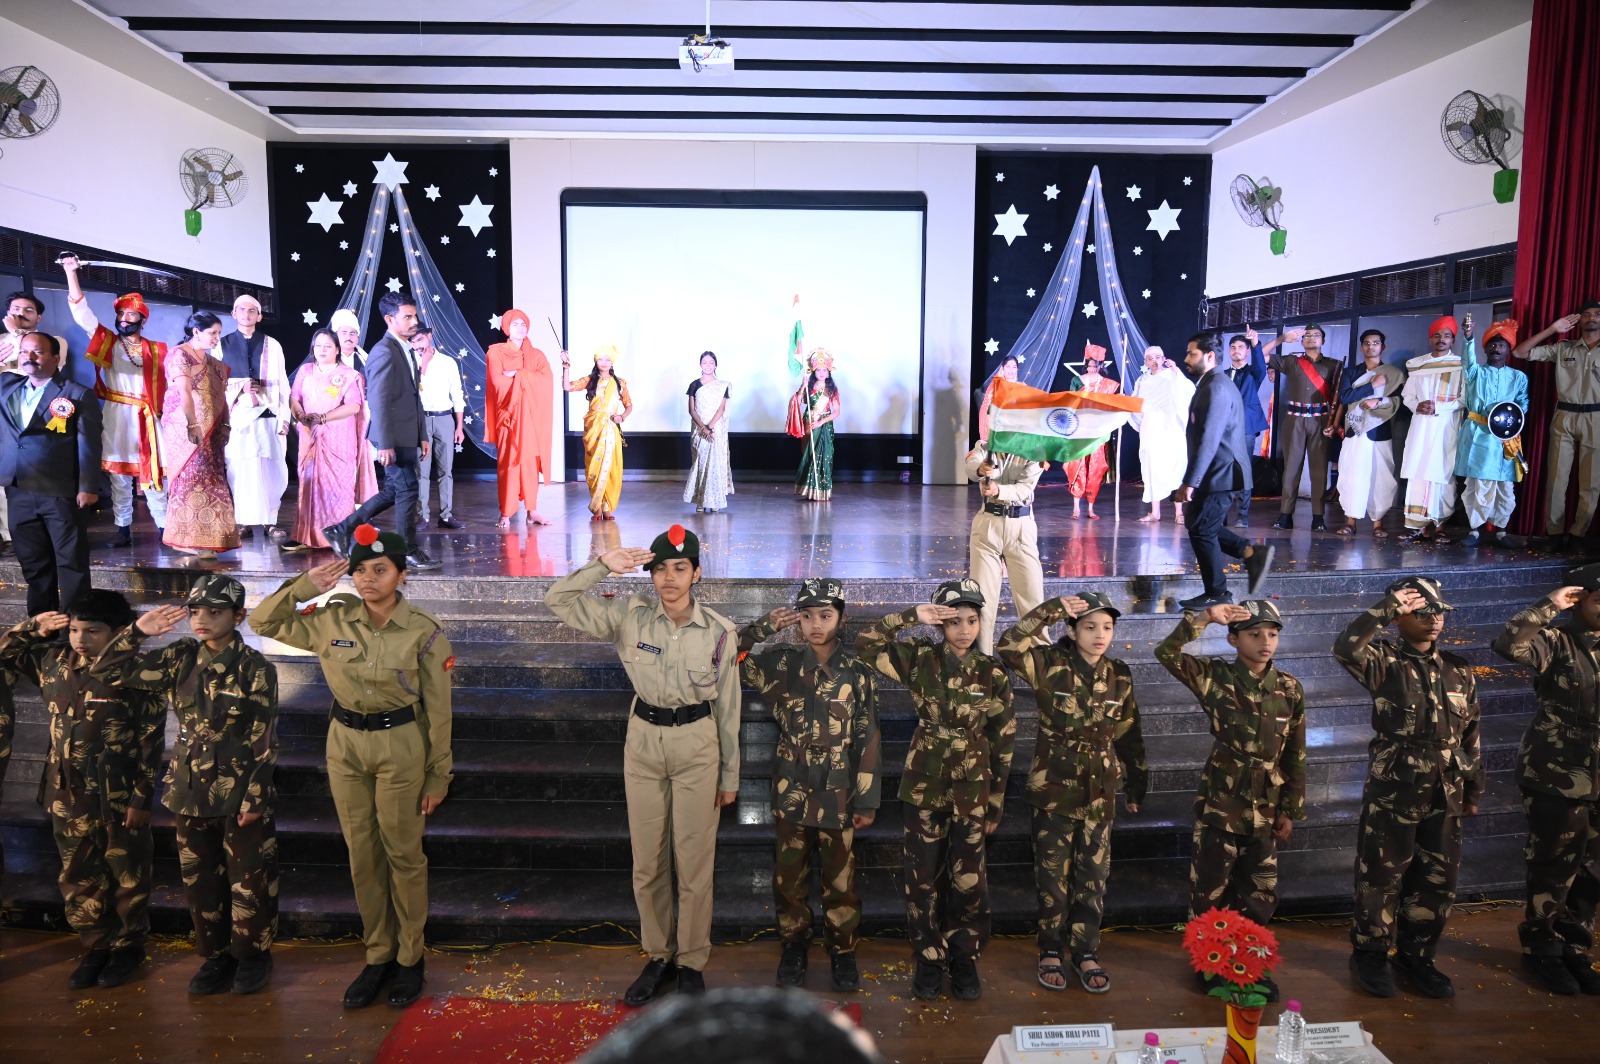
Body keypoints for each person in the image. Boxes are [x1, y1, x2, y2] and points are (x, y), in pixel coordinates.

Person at [250, 528, 454, 1009]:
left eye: (379, 570)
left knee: (403, 854)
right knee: (362, 854)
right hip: (345, 746)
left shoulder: (424, 629)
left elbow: (441, 710)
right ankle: (378, 955)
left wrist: (438, 773)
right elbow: (262, 620)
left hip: (401, 744)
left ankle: (410, 959)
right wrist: (305, 586)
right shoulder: (331, 618)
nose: (367, 579)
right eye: (359, 570)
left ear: (402, 575)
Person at [544, 525, 741, 1005]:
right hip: (645, 745)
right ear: (649, 574)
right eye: (659, 569)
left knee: (694, 862)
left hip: (698, 745)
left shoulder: (720, 632)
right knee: (649, 860)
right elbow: (558, 600)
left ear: (696, 573)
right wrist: (600, 566)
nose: (669, 578)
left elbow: (729, 708)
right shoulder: (628, 618)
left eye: (679, 568)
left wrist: (728, 774)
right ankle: (658, 955)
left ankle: (691, 961)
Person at [90, 575, 279, 996]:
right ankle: (216, 957)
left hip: (238, 786)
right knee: (200, 879)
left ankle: (252, 955)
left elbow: (264, 737)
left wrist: (255, 794)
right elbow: (105, 671)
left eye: (215, 612)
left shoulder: (255, 668)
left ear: (238, 616)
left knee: (248, 877)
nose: (202, 620)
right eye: (195, 612)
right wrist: (137, 631)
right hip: (189, 786)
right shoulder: (179, 656)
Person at [856, 579, 1015, 1002]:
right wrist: (911, 617)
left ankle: (963, 955)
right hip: (925, 782)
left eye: (972, 620)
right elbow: (866, 644)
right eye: (954, 621)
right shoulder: (918, 659)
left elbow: (1003, 740)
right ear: (940, 625)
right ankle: (928, 955)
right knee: (922, 877)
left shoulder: (992, 671)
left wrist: (996, 800)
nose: (964, 629)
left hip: (973, 786)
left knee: (968, 879)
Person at [0, 590, 162, 990]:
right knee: (78, 874)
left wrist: (142, 799)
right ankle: (96, 945)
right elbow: (3, 652)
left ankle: (127, 946)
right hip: (65, 793)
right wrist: (31, 629)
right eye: (74, 629)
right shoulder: (53, 663)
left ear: (119, 632)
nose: (80, 639)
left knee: (127, 875)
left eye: (92, 631)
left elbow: (151, 741)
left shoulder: (139, 672)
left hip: (118, 796)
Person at [1334, 576, 1482, 1000]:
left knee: (1437, 876)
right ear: (1400, 618)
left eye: (1438, 612)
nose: (1434, 620)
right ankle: (1370, 952)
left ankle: (1416, 956)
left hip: (1446, 787)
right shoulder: (1383, 661)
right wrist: (1385, 608)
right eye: (1421, 612)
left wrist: (1473, 789)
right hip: (1396, 785)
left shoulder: (1458, 669)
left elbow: (1471, 733)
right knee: (1381, 873)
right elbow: (1345, 647)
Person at [1156, 599, 1305, 1001]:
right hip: (1223, 801)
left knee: (1259, 893)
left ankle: (1250, 963)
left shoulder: (1289, 687)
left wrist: (1290, 808)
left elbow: (1296, 751)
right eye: (1255, 634)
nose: (1265, 642)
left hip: (1267, 805)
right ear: (1233, 639)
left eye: (1272, 634)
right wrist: (1203, 618)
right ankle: (1210, 964)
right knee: (1211, 890)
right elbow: (1166, 653)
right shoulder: (1216, 677)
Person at [997, 593, 1145, 994]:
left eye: (1107, 627)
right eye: (1091, 626)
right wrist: (1051, 609)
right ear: (1072, 630)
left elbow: (1128, 730)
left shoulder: (1120, 673)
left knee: (1093, 877)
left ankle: (1085, 951)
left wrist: (1137, 782)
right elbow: (1007, 645)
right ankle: (1049, 950)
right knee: (1052, 876)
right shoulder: (1049, 665)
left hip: (1100, 791)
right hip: (1054, 788)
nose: (1100, 635)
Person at [736, 578, 880, 992]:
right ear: (797, 620)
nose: (816, 624)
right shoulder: (782, 664)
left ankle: (843, 950)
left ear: (842, 619)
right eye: (807, 616)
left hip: (838, 791)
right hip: (793, 790)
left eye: (825, 615)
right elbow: (731, 656)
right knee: (789, 877)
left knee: (840, 879)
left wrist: (867, 798)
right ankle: (795, 944)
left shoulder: (857, 671)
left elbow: (868, 734)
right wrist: (762, 628)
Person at [1490, 563, 1600, 996]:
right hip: (1556, 773)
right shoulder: (1556, 642)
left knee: (1593, 872)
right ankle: (1542, 948)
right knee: (1553, 867)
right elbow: (1507, 644)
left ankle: (1576, 948)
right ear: (1580, 602)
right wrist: (1548, 605)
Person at [324, 293, 439, 570]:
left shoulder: (404, 348)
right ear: (390, 319)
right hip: (392, 437)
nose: (415, 321)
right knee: (407, 490)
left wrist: (422, 434)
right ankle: (406, 550)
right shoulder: (384, 351)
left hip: (406, 434)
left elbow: (413, 396)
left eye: (414, 315)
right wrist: (385, 443)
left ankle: (341, 529)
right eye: (407, 317)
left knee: (393, 491)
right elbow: (378, 400)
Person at [62, 256, 167, 546]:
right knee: (120, 476)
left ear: (142, 320)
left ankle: (163, 528)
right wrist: (71, 273)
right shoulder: (107, 341)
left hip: (149, 417)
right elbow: (82, 313)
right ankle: (122, 530)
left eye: (130, 315)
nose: (123, 318)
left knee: (155, 475)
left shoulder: (158, 350)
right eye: (120, 314)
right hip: (117, 414)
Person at [0, 333, 102, 614]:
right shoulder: (6, 384)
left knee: (71, 562)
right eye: (23, 352)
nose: (29, 357)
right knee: (33, 563)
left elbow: (89, 444)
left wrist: (88, 486)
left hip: (61, 491)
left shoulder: (76, 393)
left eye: (37, 352)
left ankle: (75, 626)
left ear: (56, 358)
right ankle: (41, 623)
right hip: (17, 487)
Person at [1175, 332, 1274, 610]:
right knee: (1199, 524)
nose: (1186, 359)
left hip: (1223, 471)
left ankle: (1218, 592)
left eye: (1191, 354)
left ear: (1209, 356)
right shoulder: (1211, 382)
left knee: (1203, 530)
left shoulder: (1216, 386)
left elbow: (1210, 438)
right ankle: (1249, 551)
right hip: (1215, 471)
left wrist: (1189, 482)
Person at [1512, 300, 1600, 551]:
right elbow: (1520, 352)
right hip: (1565, 416)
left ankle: (1577, 536)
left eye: (1597, 314)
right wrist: (1552, 329)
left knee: (1591, 483)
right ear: (1578, 319)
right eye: (1586, 314)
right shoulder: (1564, 348)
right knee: (1556, 480)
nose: (1592, 318)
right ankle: (1554, 534)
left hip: (1597, 417)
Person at [284, 329, 375, 551]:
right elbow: (294, 398)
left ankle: (339, 535)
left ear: (337, 349)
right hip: (310, 437)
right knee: (310, 485)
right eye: (318, 346)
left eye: (327, 346)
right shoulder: (305, 371)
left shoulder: (350, 375)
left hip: (339, 439)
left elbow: (354, 406)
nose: (322, 350)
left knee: (338, 489)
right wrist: (301, 416)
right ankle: (305, 536)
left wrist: (323, 418)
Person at [161, 312, 238, 559]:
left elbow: (222, 398)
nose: (217, 338)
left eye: (218, 333)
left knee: (213, 479)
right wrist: (192, 424)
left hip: (212, 430)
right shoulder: (179, 355)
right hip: (186, 429)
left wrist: (225, 425)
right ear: (196, 331)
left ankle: (212, 538)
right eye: (212, 333)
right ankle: (183, 539)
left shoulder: (213, 363)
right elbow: (184, 390)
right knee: (190, 479)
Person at [0, 291, 68, 555]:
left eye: (27, 310)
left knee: (36, 476)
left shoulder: (54, 342)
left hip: (37, 418)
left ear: (38, 316)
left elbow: (46, 369)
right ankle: (8, 536)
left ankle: (42, 534)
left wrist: (17, 336)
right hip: (5, 417)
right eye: (15, 308)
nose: (19, 313)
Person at [219, 294, 290, 541]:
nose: (247, 315)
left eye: (252, 311)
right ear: (234, 314)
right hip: (239, 419)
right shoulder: (221, 345)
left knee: (271, 469)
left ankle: (271, 521)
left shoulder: (273, 345)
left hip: (268, 415)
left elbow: (283, 383)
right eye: (242, 310)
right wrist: (240, 388)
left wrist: (285, 417)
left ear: (259, 316)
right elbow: (215, 384)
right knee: (240, 469)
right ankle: (242, 522)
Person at [1456, 318, 1530, 547]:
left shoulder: (1518, 377)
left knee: (1505, 485)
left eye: (1502, 345)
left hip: (1506, 438)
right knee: (1479, 485)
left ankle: (1502, 531)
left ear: (1509, 349)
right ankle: (1474, 531)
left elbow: (1522, 404)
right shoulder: (1475, 372)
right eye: (1492, 344)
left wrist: (1508, 421)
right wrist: (1468, 338)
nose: (1496, 348)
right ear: (1484, 347)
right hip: (1479, 435)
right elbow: (1468, 361)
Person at [484, 310, 555, 529]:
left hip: (531, 420)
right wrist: (522, 377)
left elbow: (547, 380)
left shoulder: (537, 355)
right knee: (509, 465)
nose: (520, 328)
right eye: (515, 324)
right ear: (506, 327)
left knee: (530, 465)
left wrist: (517, 374)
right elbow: (497, 382)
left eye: (524, 324)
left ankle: (532, 511)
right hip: (509, 418)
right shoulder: (496, 353)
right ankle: (506, 512)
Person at [1398, 315, 1466, 540]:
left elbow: (1465, 400)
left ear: (1453, 340)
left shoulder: (1460, 366)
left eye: (1446, 335)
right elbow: (1407, 395)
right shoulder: (1417, 365)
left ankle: (1440, 526)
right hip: (1421, 427)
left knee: (1442, 473)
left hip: (1446, 427)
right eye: (1437, 335)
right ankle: (1419, 526)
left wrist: (1438, 407)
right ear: (1430, 339)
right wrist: (1417, 405)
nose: (1441, 339)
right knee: (1419, 472)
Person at [1267, 325, 1340, 532]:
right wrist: (1282, 338)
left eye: (1316, 335)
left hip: (1321, 420)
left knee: (1318, 472)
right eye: (1307, 335)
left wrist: (1335, 424)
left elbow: (1339, 397)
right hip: (1294, 420)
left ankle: (1318, 517)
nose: (1311, 338)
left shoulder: (1335, 366)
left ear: (1323, 341)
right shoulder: (1291, 361)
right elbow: (1259, 354)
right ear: (1301, 340)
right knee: (1290, 469)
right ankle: (1285, 515)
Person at [1336, 330, 1402, 537]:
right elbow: (1345, 397)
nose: (1371, 346)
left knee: (1380, 476)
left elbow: (1402, 402)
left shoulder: (1394, 374)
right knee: (1351, 475)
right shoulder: (1351, 372)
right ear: (1362, 347)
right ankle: (1351, 521)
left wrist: (1379, 401)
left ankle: (1378, 523)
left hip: (1379, 430)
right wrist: (1372, 386)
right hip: (1354, 430)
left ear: (1383, 346)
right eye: (1366, 343)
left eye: (1375, 343)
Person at [561, 346, 632, 521]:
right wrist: (566, 368)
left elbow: (629, 405)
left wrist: (622, 416)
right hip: (593, 429)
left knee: (610, 466)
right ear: (596, 361)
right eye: (601, 359)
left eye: (608, 360)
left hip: (610, 428)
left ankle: (607, 507)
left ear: (612, 362)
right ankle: (597, 507)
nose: (604, 363)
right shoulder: (590, 380)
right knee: (594, 466)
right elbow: (567, 387)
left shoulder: (620, 382)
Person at [1129, 345, 1194, 523]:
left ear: (1163, 358)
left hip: (1171, 427)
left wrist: (1176, 372)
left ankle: (1179, 512)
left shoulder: (1172, 376)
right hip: (1151, 428)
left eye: (1158, 357)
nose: (1155, 361)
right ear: (1145, 362)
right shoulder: (1142, 380)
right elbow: (1136, 404)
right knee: (1152, 467)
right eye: (1151, 358)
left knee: (1175, 466)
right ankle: (1155, 512)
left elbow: (1188, 392)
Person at [413, 326, 464, 531]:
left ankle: (446, 515)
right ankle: (422, 516)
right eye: (413, 341)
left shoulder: (447, 362)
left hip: (444, 418)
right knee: (421, 471)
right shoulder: (411, 362)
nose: (418, 345)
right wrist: (422, 365)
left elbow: (457, 394)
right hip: (421, 420)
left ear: (430, 337)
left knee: (446, 470)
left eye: (420, 340)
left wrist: (459, 426)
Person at [1064, 345, 1118, 519]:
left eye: (1096, 365)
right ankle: (1076, 507)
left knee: (1094, 468)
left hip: (1097, 432)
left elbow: (1110, 407)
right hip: (1079, 430)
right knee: (1076, 466)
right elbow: (1070, 404)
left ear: (1101, 366)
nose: (1092, 368)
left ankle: (1091, 507)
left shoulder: (1106, 384)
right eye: (1090, 365)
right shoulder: (1077, 380)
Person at [1224, 326, 1269, 523]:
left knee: (1244, 469)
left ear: (1247, 351)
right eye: (1233, 347)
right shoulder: (1222, 375)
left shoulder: (1253, 373)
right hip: (1223, 429)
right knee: (1223, 470)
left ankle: (1242, 515)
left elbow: (1261, 365)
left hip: (1246, 428)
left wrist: (1256, 343)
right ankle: (1221, 514)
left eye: (1240, 347)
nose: (1236, 350)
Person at [685, 351, 734, 514]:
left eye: (711, 362)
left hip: (715, 430)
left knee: (715, 464)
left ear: (716, 365)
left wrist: (710, 427)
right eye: (704, 362)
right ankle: (700, 500)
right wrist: (703, 428)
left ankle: (715, 500)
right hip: (699, 430)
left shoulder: (722, 386)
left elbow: (721, 409)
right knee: (700, 463)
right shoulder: (694, 385)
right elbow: (692, 409)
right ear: (700, 365)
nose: (707, 365)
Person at [789, 349, 841, 502]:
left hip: (823, 425)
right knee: (810, 456)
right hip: (809, 425)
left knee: (824, 456)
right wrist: (802, 386)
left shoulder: (832, 390)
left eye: (824, 370)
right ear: (813, 371)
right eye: (818, 370)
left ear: (829, 371)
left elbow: (837, 412)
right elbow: (797, 403)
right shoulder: (808, 387)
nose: (822, 373)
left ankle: (822, 491)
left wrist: (821, 421)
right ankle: (810, 491)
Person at [977, 354, 1019, 442]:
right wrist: (985, 437)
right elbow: (985, 411)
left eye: (1014, 367)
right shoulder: (995, 387)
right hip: (997, 435)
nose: (1011, 370)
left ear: (1017, 369)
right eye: (1008, 366)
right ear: (1003, 369)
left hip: (1015, 435)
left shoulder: (1022, 387)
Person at [330, 308, 369, 372]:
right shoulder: (328, 359)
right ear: (336, 336)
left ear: (357, 338)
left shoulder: (364, 360)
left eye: (352, 333)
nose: (348, 337)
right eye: (344, 333)